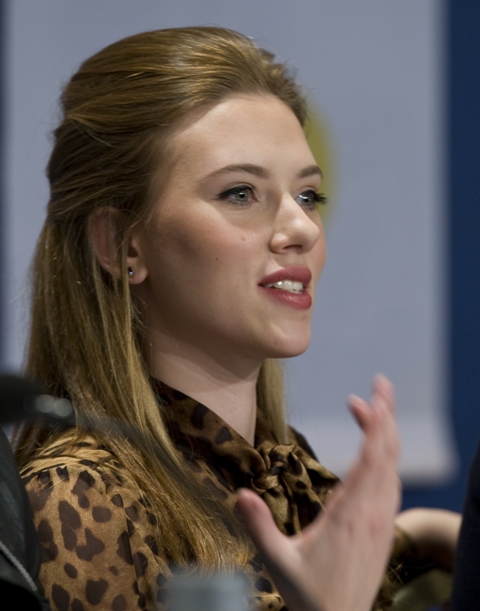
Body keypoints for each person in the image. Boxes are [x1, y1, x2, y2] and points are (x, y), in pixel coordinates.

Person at [14, 27, 458, 611]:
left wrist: (422, 536)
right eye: (241, 193)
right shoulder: (75, 498)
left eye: (308, 196)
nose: (301, 229)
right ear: (121, 243)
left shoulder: (296, 482)